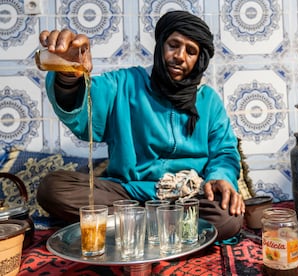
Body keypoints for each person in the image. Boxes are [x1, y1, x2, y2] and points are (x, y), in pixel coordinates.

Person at [36, 10, 245, 241]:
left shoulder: (208, 100)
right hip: (127, 192)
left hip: (188, 197)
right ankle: (166, 229)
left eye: (191, 51)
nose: (180, 56)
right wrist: (69, 75)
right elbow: (83, 105)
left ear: (199, 59)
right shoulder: (125, 83)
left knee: (229, 216)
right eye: (173, 45)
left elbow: (225, 151)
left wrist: (221, 176)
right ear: (160, 46)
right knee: (52, 188)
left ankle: (130, 226)